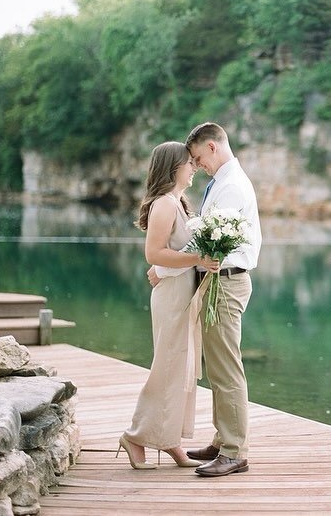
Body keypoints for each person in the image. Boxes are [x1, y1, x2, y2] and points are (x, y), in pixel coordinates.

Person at [147, 122, 262, 478]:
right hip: (217, 282)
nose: (197, 166)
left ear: (212, 147)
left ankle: (234, 451)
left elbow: (206, 246)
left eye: (198, 158)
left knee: (226, 369)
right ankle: (221, 440)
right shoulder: (223, 183)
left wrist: (161, 270)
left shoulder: (231, 186)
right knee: (217, 365)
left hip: (225, 284)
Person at [117, 141, 218, 470]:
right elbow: (154, 254)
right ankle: (135, 435)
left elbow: (169, 254)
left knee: (180, 368)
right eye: (189, 163)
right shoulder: (163, 204)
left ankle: (169, 440)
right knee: (168, 366)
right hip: (171, 295)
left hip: (182, 290)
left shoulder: (179, 203)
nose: (194, 168)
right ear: (173, 167)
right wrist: (197, 258)